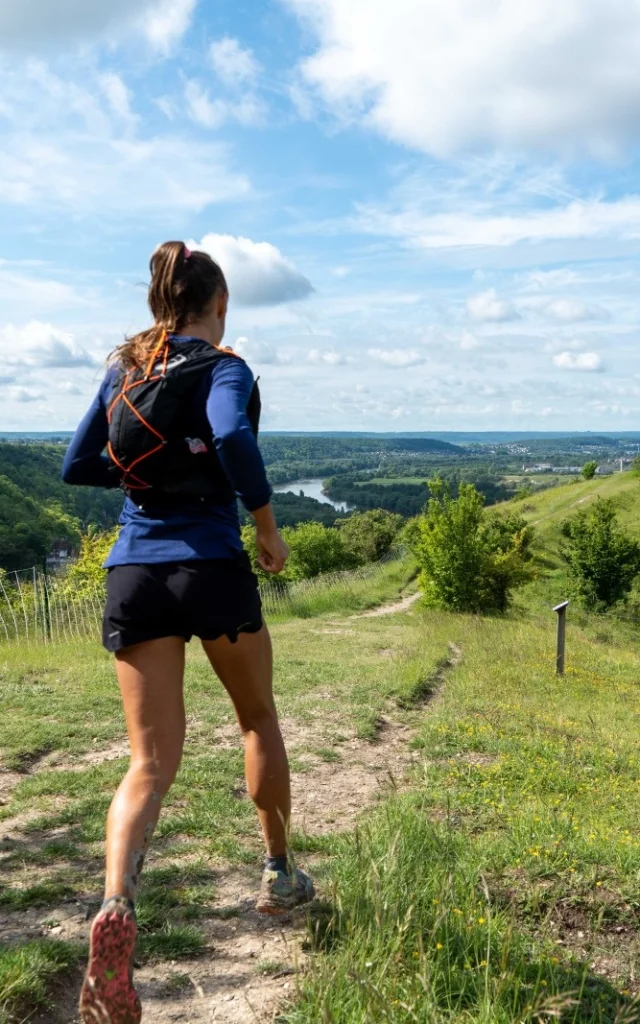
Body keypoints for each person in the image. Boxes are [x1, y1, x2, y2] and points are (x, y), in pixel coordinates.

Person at [62, 241, 314, 1024]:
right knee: (257, 716)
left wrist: (150, 470)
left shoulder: (125, 370)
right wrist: (265, 527)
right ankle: (278, 874)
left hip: (133, 571)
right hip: (210, 563)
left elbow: (80, 462)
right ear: (220, 302)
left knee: (147, 763)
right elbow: (234, 438)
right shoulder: (224, 365)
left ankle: (116, 905)